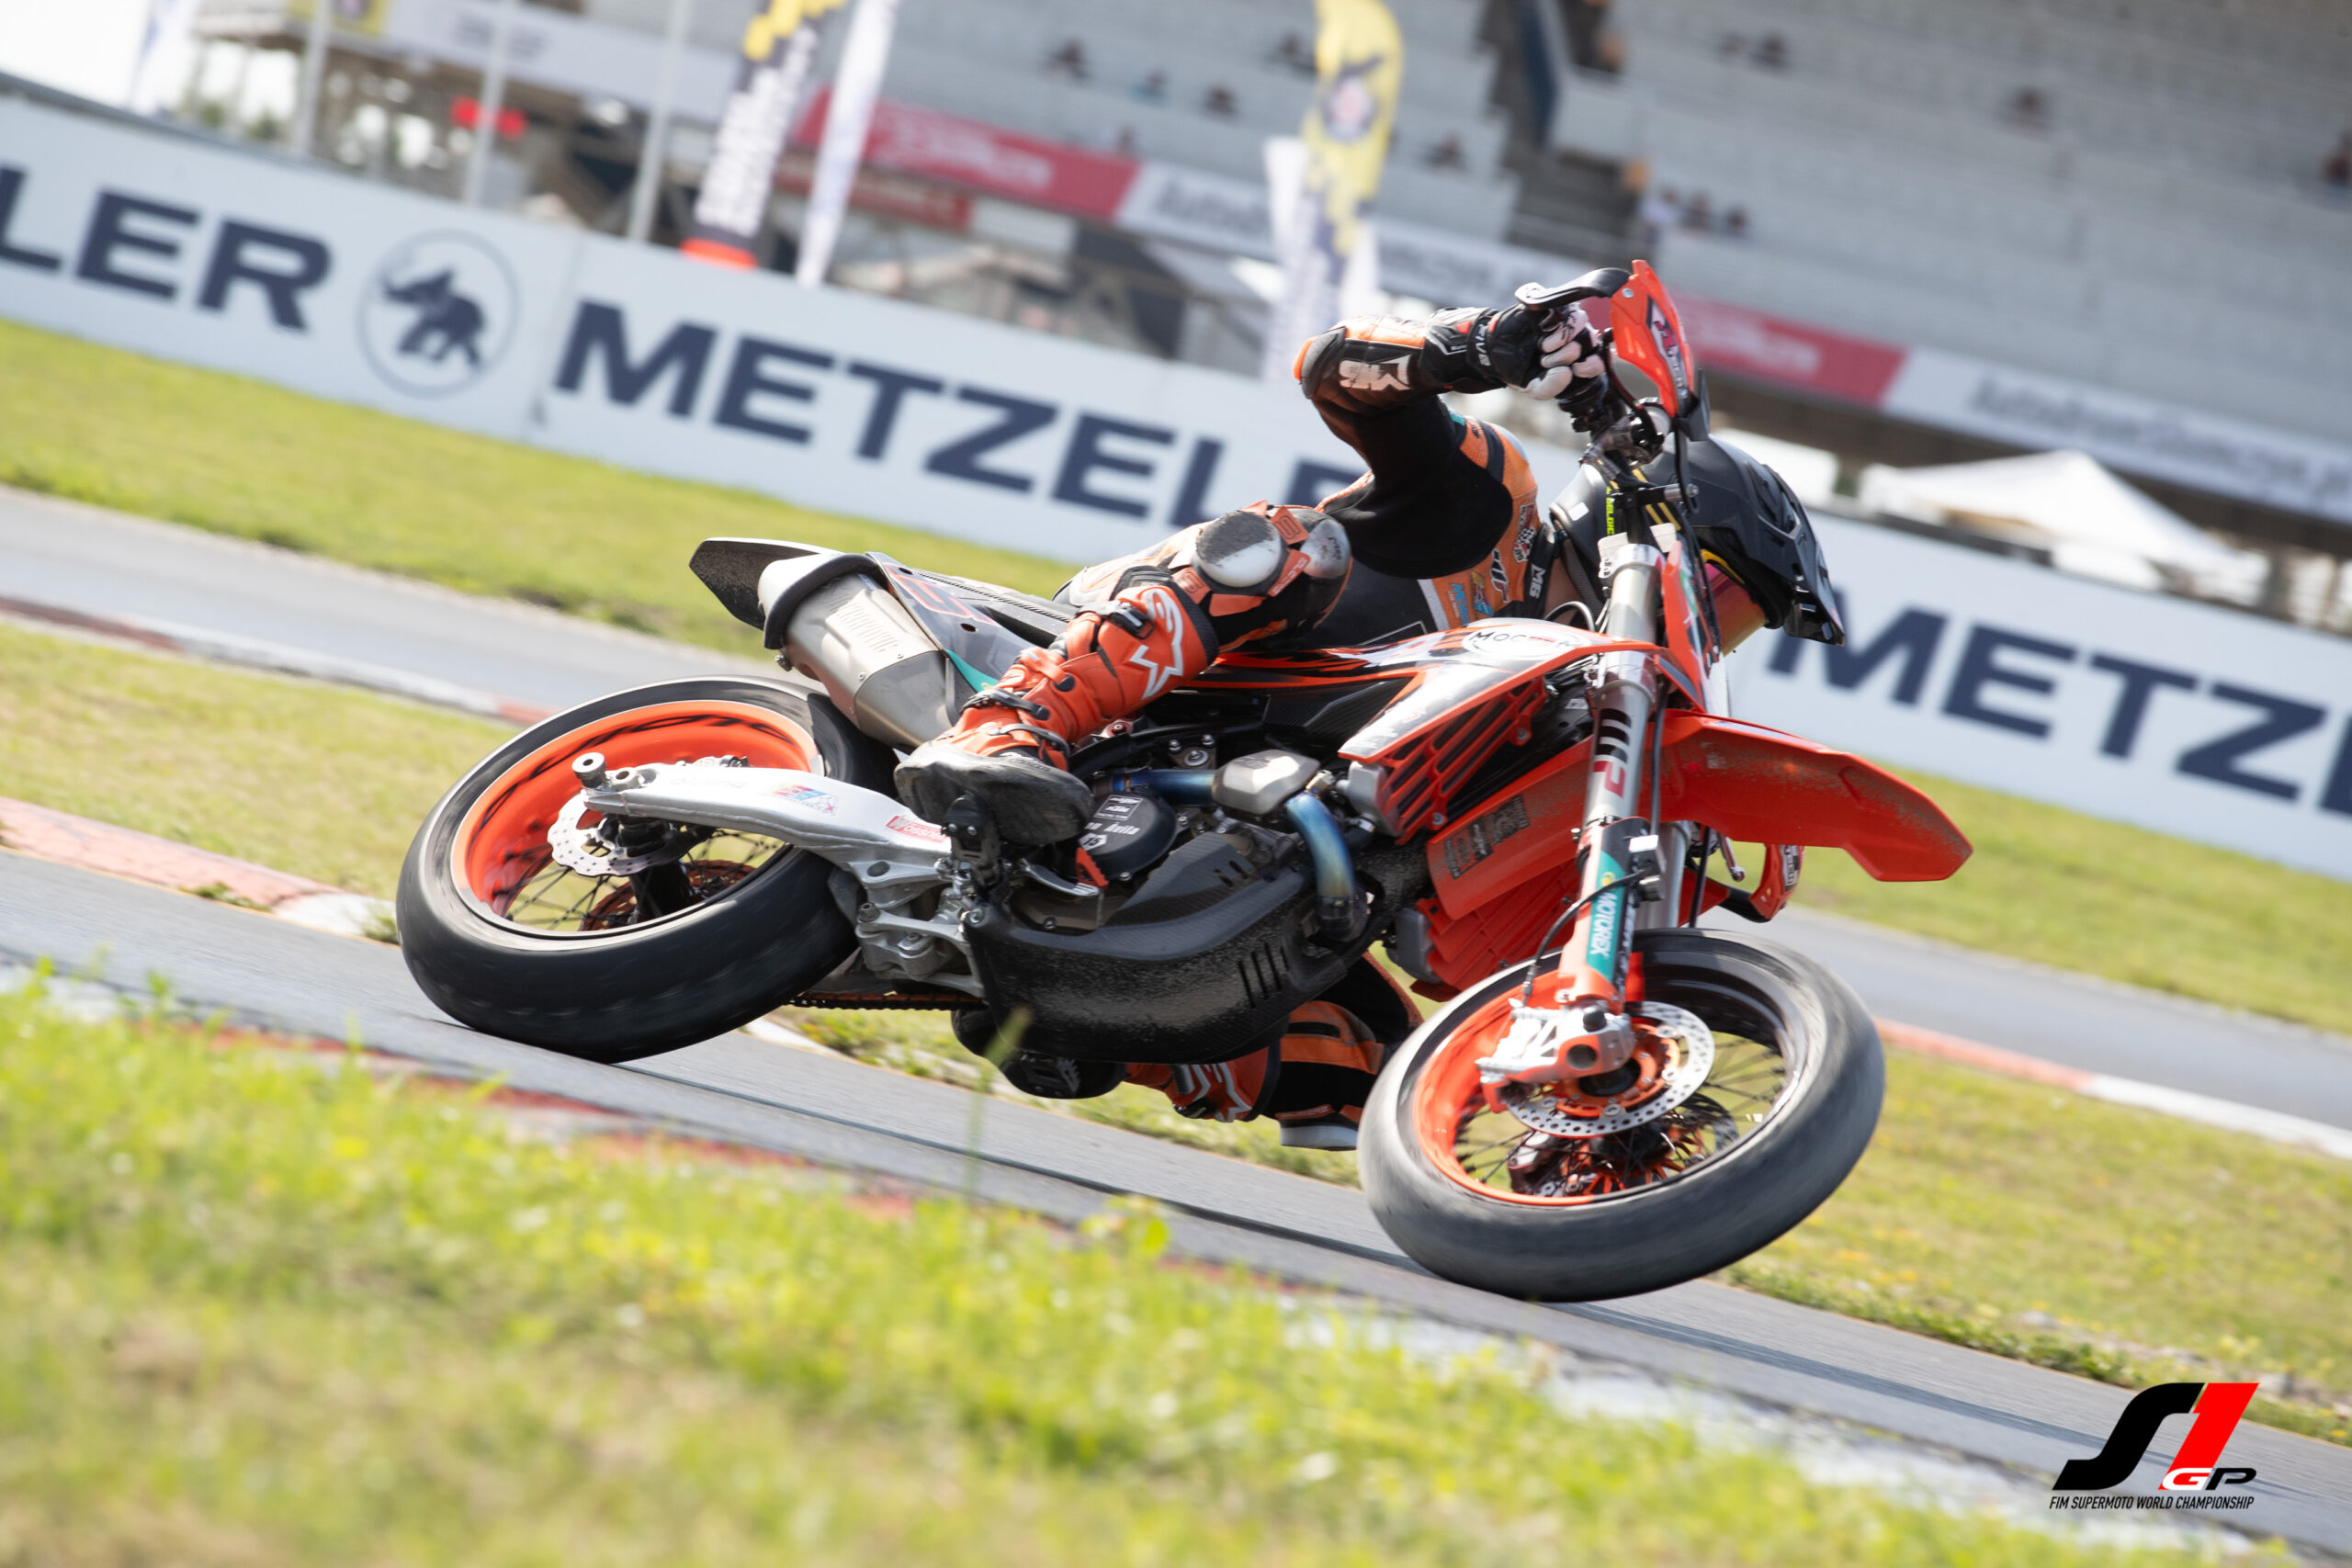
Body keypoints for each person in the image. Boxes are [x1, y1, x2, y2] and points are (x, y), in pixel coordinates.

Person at [900, 299, 1610, 1140]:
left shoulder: (1574, 727)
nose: (1713, 622)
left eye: (1731, 621)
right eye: (1715, 587)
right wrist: (1472, 345)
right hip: (1151, 672)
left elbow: (1464, 950)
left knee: (1384, 1076)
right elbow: (1333, 367)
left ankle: (1095, 1014)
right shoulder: (1491, 502)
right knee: (1297, 547)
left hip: (1244, 806)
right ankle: (1011, 718)